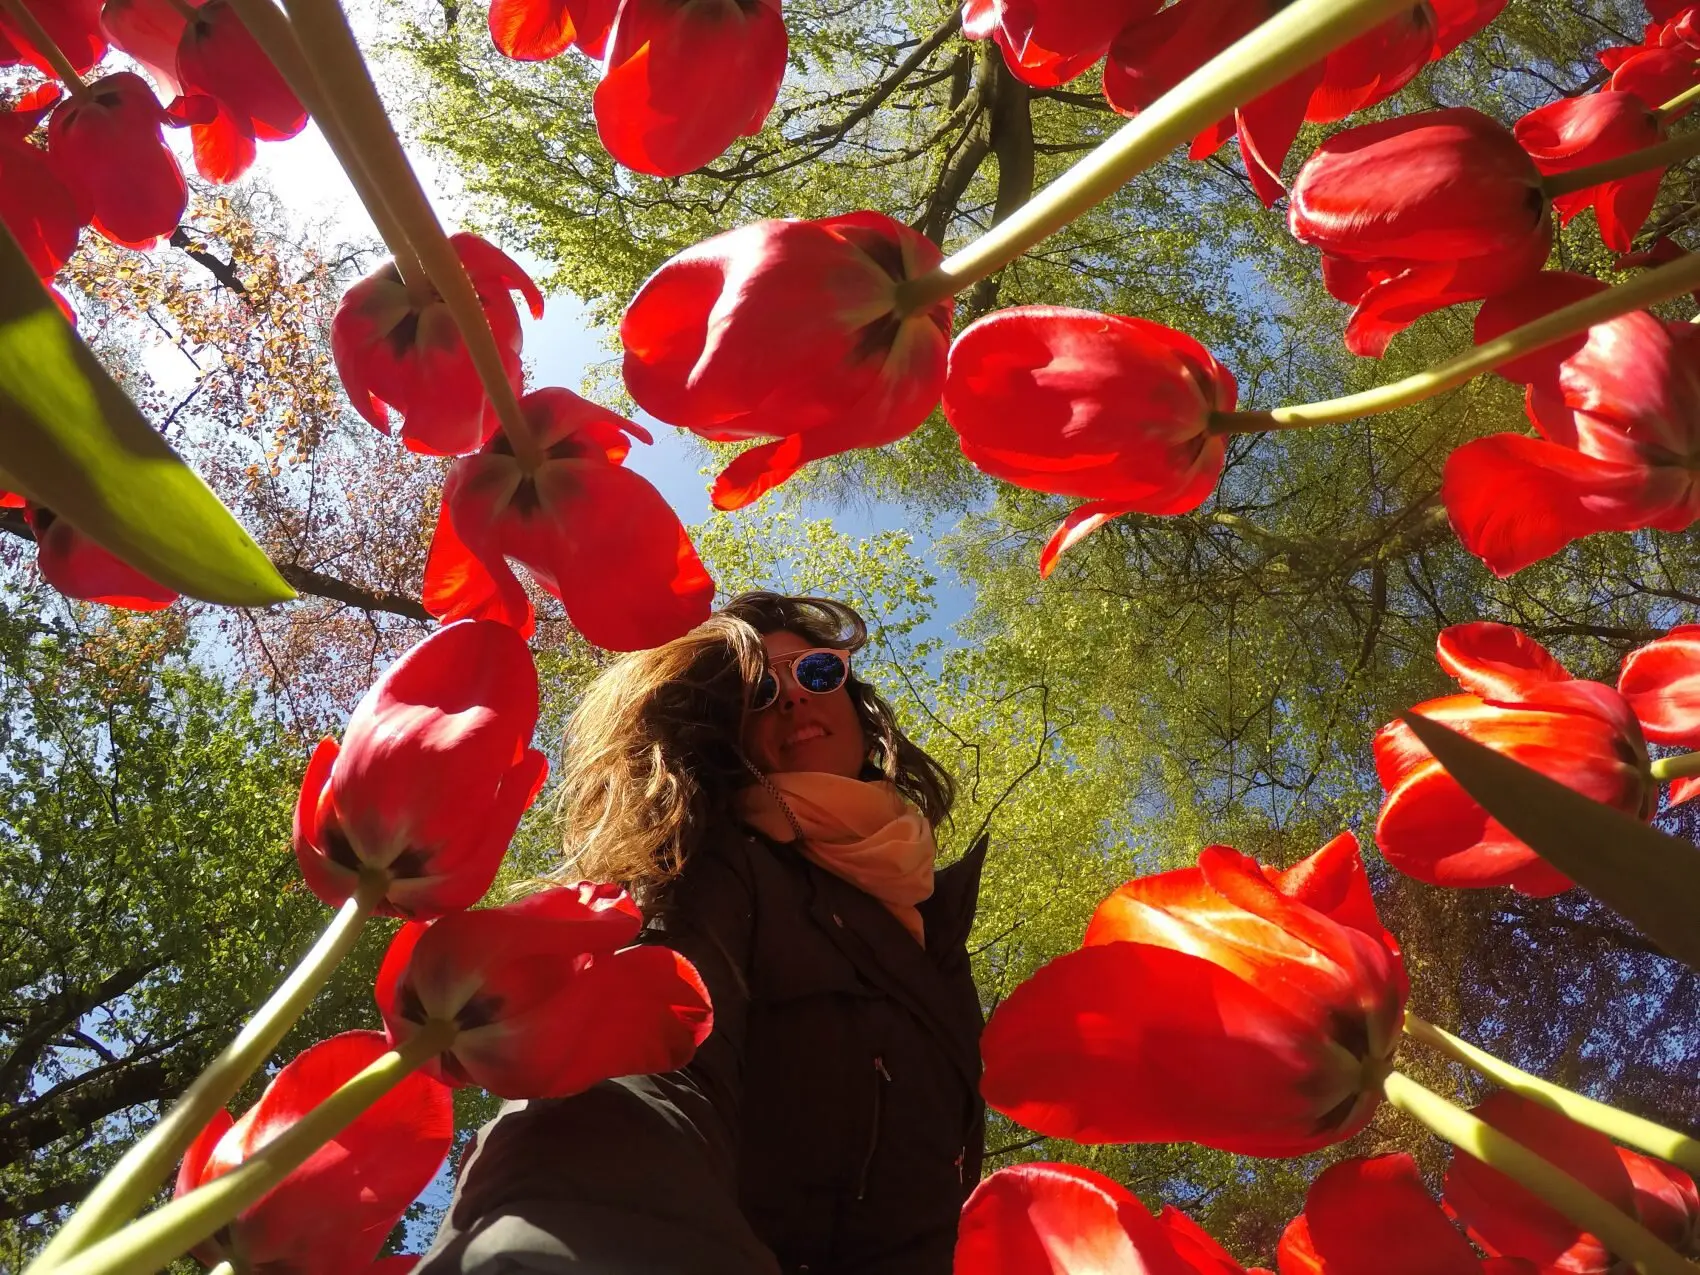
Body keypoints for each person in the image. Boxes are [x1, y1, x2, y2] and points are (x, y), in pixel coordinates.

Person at [419, 592, 988, 1275]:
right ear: (728, 732)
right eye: (758, 690)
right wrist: (551, 1247)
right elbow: (644, 1059)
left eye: (814, 673)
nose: (793, 700)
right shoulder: (714, 865)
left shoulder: (936, 931)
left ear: (852, 698)